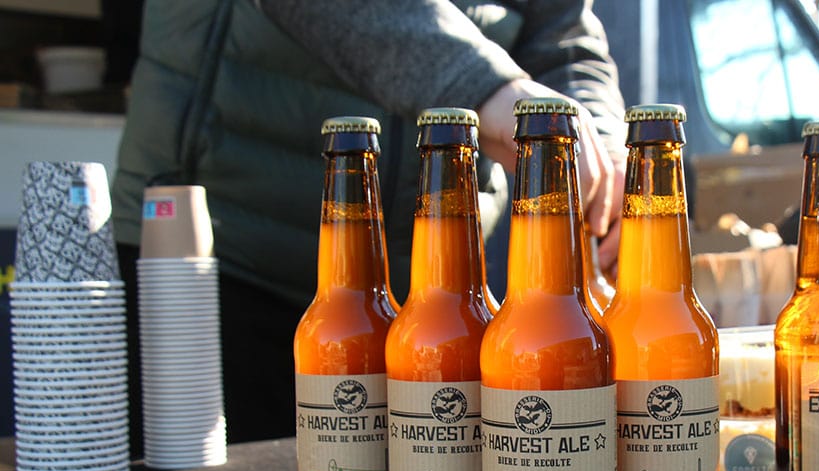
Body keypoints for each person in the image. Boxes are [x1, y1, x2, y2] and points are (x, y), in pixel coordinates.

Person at [111, 0, 627, 445]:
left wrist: (599, 147)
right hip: (221, 263)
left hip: (432, 293)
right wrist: (486, 87)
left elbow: (565, 40)